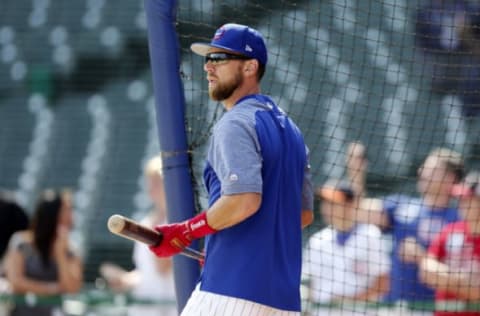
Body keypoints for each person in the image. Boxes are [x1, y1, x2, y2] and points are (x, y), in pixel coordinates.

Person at [148, 23, 314, 315]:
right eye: (208, 59)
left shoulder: (236, 122)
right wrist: (222, 244)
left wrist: (188, 231)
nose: (208, 68)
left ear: (250, 67)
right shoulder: (293, 131)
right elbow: (302, 215)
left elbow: (244, 200)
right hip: (284, 301)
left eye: (220, 59)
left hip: (231, 291)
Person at [357, 147, 464, 307]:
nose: (422, 173)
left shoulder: (461, 219)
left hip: (434, 308)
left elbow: (464, 274)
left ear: (451, 178)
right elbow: (358, 212)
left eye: (432, 170)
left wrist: (421, 257)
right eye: (424, 168)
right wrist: (357, 176)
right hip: (395, 307)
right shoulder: (402, 206)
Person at [100, 156, 176, 316]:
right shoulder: (146, 222)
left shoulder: (179, 223)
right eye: (150, 182)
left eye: (157, 182)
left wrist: (165, 215)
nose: (150, 189)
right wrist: (126, 279)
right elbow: (147, 273)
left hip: (171, 308)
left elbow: (162, 268)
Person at [303, 180, 390, 315]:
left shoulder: (370, 235)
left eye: (333, 203)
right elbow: (308, 286)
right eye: (325, 202)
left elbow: (383, 285)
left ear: (351, 205)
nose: (326, 208)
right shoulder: (317, 240)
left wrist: (350, 301)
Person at [4, 189, 83, 316]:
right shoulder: (23, 244)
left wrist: (60, 254)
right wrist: (52, 288)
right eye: (66, 210)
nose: (70, 216)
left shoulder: (70, 249)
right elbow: (16, 282)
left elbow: (72, 288)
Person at [420, 171, 480, 316]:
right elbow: (426, 271)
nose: (461, 204)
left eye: (467, 199)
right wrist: (460, 278)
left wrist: (443, 279)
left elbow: (477, 293)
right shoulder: (452, 230)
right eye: (460, 199)